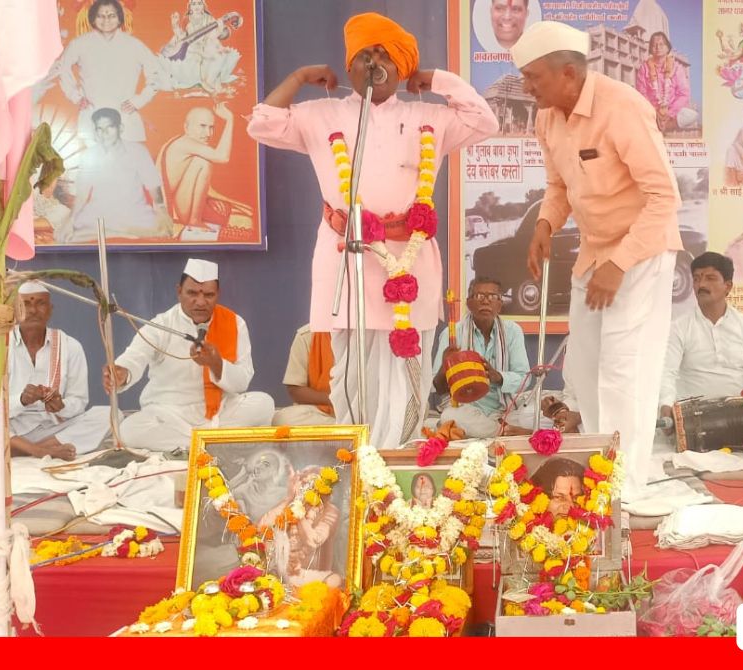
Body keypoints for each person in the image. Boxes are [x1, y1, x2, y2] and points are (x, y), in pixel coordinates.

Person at [247, 12, 497, 448]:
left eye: (385, 55)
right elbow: (262, 123)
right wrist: (300, 77)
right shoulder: (321, 114)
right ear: (350, 65)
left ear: (402, 66)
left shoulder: (428, 116)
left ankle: (399, 454)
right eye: (365, 54)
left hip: (410, 259)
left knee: (408, 366)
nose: (374, 62)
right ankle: (358, 456)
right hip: (347, 255)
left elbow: (484, 121)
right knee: (350, 368)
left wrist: (438, 80)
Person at [513, 21, 681, 503]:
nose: (527, 88)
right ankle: (595, 473)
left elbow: (664, 197)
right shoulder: (547, 118)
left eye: (533, 77)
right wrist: (545, 224)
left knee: (623, 369)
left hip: (640, 253)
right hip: (593, 255)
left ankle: (622, 490)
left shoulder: (622, 107)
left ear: (568, 73)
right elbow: (558, 186)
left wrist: (620, 263)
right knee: (584, 368)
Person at [103, 259, 275, 452]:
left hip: (221, 411)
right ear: (179, 291)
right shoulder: (161, 325)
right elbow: (135, 355)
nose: (200, 302)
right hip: (170, 413)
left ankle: (193, 444)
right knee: (128, 430)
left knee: (264, 404)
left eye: (208, 295)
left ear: (218, 294)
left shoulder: (235, 323)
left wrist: (217, 364)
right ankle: (213, 441)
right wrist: (123, 372)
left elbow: (242, 382)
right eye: (192, 293)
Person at [659, 253, 743, 428]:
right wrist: (665, 404)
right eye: (696, 279)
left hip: (741, 419)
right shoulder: (678, 327)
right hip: (693, 423)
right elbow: (667, 373)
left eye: (710, 278)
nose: (701, 285)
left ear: (728, 286)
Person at [8, 282, 110, 459]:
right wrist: (21, 400)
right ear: (14, 311)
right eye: (25, 304)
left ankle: (20, 450)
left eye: (40, 303)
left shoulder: (70, 346)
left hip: (53, 428)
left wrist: (62, 406)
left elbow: (78, 401)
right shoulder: (0, 346)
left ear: (50, 310)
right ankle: (40, 451)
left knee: (110, 415)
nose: (33, 310)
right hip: (10, 429)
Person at [50, 0, 163, 143]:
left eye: (111, 15)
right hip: (91, 117)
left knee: (129, 155)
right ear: (92, 18)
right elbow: (62, 68)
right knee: (92, 155)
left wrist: (139, 100)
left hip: (126, 118)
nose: (106, 20)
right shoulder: (79, 44)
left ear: (120, 18)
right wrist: (76, 97)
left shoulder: (134, 45)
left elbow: (156, 74)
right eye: (100, 16)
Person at [432, 277, 531, 438]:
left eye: (492, 297)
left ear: (500, 304)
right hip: (466, 408)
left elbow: (524, 379)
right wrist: (445, 366)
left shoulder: (513, 331)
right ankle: (504, 432)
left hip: (503, 409)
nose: (486, 301)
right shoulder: (452, 333)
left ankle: (494, 430)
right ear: (469, 303)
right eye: (479, 296)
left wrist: (498, 377)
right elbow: (438, 388)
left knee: (533, 415)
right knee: (450, 416)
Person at [69, 107, 173, 242]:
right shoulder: (89, 155)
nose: (104, 133)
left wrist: (162, 210)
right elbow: (82, 194)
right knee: (71, 233)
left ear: (121, 128)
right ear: (95, 132)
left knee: (160, 230)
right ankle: (117, 233)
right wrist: (70, 220)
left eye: (110, 127)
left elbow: (153, 184)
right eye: (99, 129)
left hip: (134, 212)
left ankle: (115, 233)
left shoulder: (138, 151)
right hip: (99, 212)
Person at [159, 103, 253, 232]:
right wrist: (230, 120)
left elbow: (191, 179)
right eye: (202, 126)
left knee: (201, 162)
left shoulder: (184, 142)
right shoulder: (185, 143)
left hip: (176, 203)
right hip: (169, 211)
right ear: (186, 127)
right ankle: (194, 221)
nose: (208, 133)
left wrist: (211, 198)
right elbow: (223, 157)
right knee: (204, 162)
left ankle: (195, 219)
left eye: (211, 127)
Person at [257, 466, 341, 588]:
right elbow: (262, 527)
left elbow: (314, 541)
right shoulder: (291, 504)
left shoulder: (330, 511)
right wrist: (289, 499)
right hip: (281, 572)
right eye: (303, 483)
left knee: (335, 580)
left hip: (309, 575)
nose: (306, 488)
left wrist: (299, 512)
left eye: (311, 484)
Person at [161, 0, 243, 95]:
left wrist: (219, 29)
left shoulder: (209, 19)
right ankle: (205, 82)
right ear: (190, 7)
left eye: (199, 3)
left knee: (213, 55)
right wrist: (175, 25)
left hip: (206, 45)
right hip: (191, 48)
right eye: (194, 4)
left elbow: (213, 36)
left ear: (203, 6)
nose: (197, 6)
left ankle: (210, 82)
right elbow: (181, 37)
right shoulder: (186, 20)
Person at [272, 324, 335, 426]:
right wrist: (335, 399)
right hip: (324, 412)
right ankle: (348, 427)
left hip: (359, 407)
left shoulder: (362, 334)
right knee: (282, 419)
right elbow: (295, 389)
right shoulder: (307, 334)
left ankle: (349, 427)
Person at [635, 32, 694, 133]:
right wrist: (655, 111)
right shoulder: (644, 68)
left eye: (661, 44)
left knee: (691, 115)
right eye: (654, 45)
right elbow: (641, 93)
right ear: (650, 49)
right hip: (651, 111)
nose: (658, 47)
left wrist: (669, 113)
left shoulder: (677, 68)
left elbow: (684, 94)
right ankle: (658, 124)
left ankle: (664, 125)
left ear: (667, 48)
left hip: (671, 111)